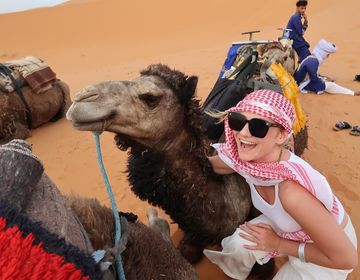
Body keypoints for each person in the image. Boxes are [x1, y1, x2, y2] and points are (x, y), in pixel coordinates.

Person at [203, 89, 358, 280]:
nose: (243, 132)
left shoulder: (292, 192)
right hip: (288, 227)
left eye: (258, 127)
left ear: (281, 135)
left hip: (328, 252)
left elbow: (347, 259)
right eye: (238, 121)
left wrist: (278, 244)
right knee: (238, 247)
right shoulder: (248, 160)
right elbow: (210, 166)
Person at [295, 39, 360, 96]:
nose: (327, 56)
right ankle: (352, 93)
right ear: (323, 52)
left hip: (304, 81)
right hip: (303, 85)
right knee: (330, 85)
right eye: (327, 54)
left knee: (326, 80)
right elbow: (313, 78)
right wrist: (322, 81)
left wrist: (323, 78)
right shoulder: (314, 61)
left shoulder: (313, 58)